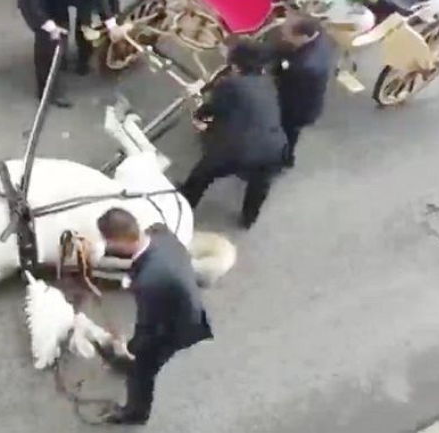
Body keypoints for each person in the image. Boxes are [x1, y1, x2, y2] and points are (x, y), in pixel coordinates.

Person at [97, 209, 213, 425]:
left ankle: (135, 414)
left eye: (108, 242)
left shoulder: (150, 281)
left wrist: (129, 349)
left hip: (176, 327)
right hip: (179, 302)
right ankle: (127, 364)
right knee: (138, 352)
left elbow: (148, 328)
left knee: (142, 370)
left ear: (118, 241)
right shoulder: (160, 232)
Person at [179, 39, 287, 229]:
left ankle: (184, 205)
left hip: (238, 151)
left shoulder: (230, 85)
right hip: (274, 147)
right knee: (260, 185)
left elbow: (211, 109)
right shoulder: (268, 83)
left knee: (202, 174)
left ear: (236, 65)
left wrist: (197, 109)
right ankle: (249, 218)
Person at [17, 0, 125, 108]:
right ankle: (47, 90)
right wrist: (50, 26)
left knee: (79, 20)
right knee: (49, 39)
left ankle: (78, 57)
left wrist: (112, 25)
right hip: (39, 5)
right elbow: (31, 7)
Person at [271, 13, 334, 167]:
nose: (283, 36)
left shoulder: (304, 67)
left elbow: (287, 90)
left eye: (286, 34)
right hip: (304, 97)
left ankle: (284, 159)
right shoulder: (319, 37)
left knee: (288, 132)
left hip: (298, 109)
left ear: (303, 36)